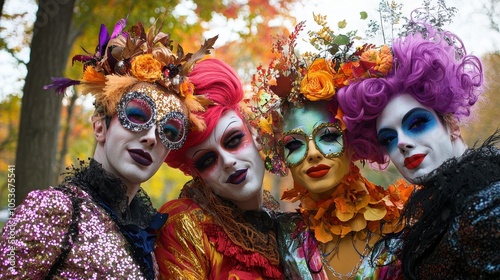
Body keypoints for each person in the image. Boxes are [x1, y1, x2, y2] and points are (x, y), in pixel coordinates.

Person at [0, 18, 215, 279]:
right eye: (137, 116)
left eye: (169, 131)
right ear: (100, 127)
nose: (151, 137)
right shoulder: (56, 209)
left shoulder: (149, 233)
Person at [248, 18, 414, 279]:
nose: (313, 154)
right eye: (294, 144)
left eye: (328, 136)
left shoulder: (401, 227)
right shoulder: (278, 238)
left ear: (353, 141)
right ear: (282, 156)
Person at [337, 19, 500, 279]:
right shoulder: (438, 209)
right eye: (389, 138)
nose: (401, 143)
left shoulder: (489, 198)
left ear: (451, 122)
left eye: (417, 123)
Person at [154, 58, 324, 279]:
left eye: (233, 141)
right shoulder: (185, 224)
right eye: (207, 160)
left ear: (255, 135)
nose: (227, 161)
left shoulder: (286, 230)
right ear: (195, 174)